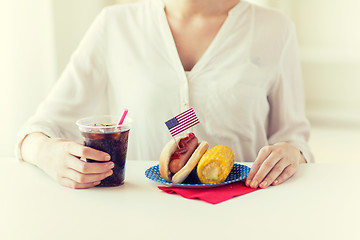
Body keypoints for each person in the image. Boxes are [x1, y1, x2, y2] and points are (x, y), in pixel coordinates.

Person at [17, 0, 314, 189]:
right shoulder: (115, 25)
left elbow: (295, 139)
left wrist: (291, 152)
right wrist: (47, 153)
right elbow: (36, 131)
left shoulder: (275, 29)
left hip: (243, 212)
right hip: (140, 214)